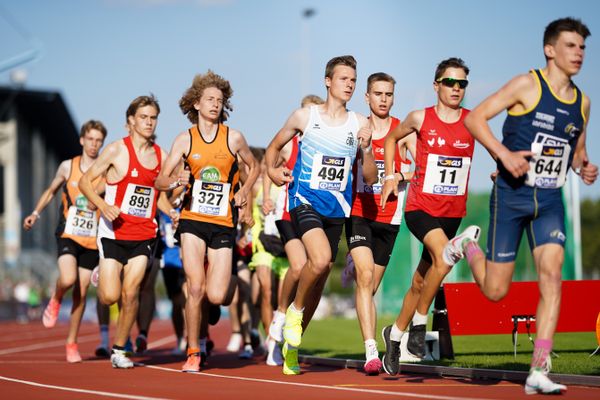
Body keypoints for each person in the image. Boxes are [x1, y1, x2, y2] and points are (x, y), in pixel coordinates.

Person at [452, 18, 598, 395]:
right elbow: (475, 117)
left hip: (550, 199)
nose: (578, 53)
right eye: (570, 45)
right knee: (496, 291)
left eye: (582, 47)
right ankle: (467, 244)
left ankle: (538, 368)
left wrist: (584, 167)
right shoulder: (526, 85)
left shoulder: (583, 102)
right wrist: (502, 154)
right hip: (513, 195)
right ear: (550, 49)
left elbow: (577, 151)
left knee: (552, 276)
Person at [266, 55, 377, 375]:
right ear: (328, 81)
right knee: (319, 258)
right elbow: (274, 148)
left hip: (337, 210)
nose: (350, 85)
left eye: (354, 80)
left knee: (323, 268)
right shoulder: (305, 116)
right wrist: (273, 173)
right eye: (344, 79)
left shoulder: (359, 123)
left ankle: (292, 349)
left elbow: (369, 177)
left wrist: (367, 149)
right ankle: (294, 314)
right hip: (304, 201)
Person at [380, 58, 479, 376]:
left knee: (422, 280)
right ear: (437, 85)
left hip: (452, 214)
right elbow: (393, 139)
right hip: (420, 208)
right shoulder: (420, 118)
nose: (456, 88)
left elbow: (494, 147)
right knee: (445, 256)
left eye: (462, 83)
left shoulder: (473, 120)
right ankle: (419, 330)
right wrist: (392, 176)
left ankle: (394, 336)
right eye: (450, 82)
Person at [155, 70, 259, 373]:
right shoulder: (184, 140)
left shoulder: (234, 137)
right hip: (192, 220)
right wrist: (177, 176)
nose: (215, 104)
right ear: (196, 104)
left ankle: (230, 283)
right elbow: (160, 181)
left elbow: (253, 168)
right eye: (210, 99)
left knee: (216, 295)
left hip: (224, 221)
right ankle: (193, 351)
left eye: (220, 100)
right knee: (195, 288)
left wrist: (245, 191)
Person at [79, 95, 168, 369]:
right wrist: (104, 206)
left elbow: (159, 195)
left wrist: (173, 210)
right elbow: (85, 182)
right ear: (131, 121)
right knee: (109, 296)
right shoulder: (117, 150)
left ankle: (119, 350)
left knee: (132, 294)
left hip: (144, 234)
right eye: (144, 117)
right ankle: (103, 272)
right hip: (113, 234)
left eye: (153, 117)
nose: (149, 122)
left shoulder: (161, 155)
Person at [346, 72, 415, 375]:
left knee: (370, 288)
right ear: (367, 97)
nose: (383, 99)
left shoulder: (403, 132)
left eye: (388, 94)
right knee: (363, 278)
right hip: (360, 212)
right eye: (378, 94)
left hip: (389, 218)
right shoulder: (358, 129)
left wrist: (398, 176)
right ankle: (371, 350)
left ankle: (384, 335)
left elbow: (423, 167)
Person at [23, 120, 107, 362]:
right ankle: (57, 296)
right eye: (90, 139)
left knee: (81, 292)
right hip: (69, 233)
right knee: (68, 279)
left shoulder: (105, 171)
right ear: (82, 140)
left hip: (91, 240)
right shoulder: (67, 166)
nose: (94, 144)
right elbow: (51, 190)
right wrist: (35, 214)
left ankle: (72, 342)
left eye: (99, 140)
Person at [267, 95, 325, 350]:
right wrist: (267, 194)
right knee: (299, 265)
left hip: (309, 212)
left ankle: (290, 312)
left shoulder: (324, 145)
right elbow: (269, 164)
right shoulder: (292, 143)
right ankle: (281, 312)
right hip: (286, 212)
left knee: (314, 265)